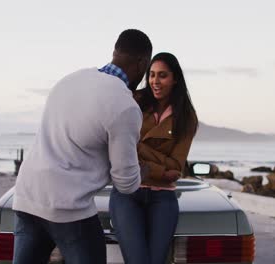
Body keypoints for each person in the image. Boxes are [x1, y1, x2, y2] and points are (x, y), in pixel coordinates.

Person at [12, 29, 152, 264]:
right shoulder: (125, 107)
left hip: (27, 196)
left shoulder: (71, 79)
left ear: (115, 53)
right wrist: (141, 172)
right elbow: (126, 183)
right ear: (142, 64)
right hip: (68, 209)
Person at [109, 52, 198, 264]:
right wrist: (160, 167)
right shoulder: (134, 101)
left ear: (175, 78)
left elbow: (175, 169)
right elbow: (119, 149)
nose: (155, 81)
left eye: (163, 75)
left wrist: (138, 145)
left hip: (163, 198)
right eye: (152, 75)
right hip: (127, 191)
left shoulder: (186, 117)